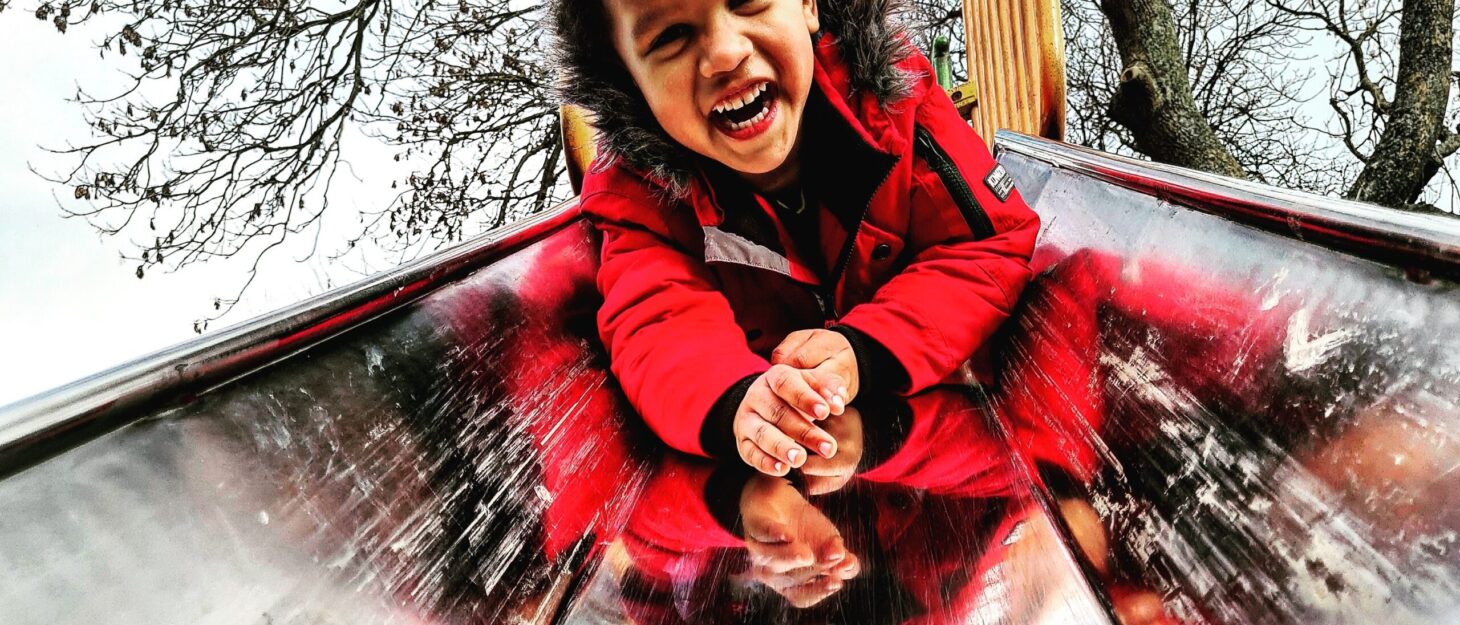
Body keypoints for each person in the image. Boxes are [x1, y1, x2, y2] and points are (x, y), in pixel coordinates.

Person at [548, 0, 1040, 475]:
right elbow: (658, 320)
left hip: (937, 446)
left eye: (746, 1)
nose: (725, 52)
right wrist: (737, 400)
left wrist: (866, 347)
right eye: (671, 36)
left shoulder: (893, 99)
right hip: (785, 495)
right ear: (629, 81)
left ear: (808, 3)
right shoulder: (639, 195)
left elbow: (987, 241)